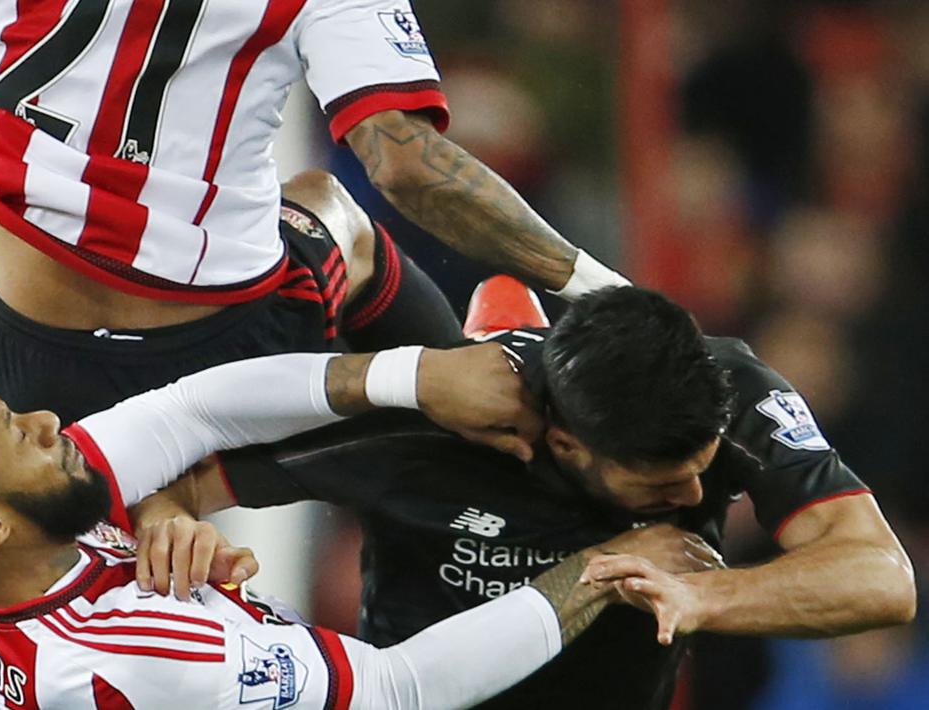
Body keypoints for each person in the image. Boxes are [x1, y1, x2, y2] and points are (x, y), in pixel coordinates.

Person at [131, 285, 917, 710]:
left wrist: (699, 593)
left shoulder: (733, 393)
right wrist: (166, 516)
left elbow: (880, 578)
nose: (691, 496)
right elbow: (178, 467)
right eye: (656, 483)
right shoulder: (426, 431)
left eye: (700, 470)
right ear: (566, 443)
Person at [0, 344, 714, 709]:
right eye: (16, 438)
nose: (45, 421)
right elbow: (399, 693)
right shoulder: (133, 650)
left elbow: (191, 413)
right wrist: (604, 564)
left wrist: (414, 374)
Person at [0, 0, 629, 422]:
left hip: (22, 347)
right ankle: (462, 393)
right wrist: (605, 293)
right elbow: (406, 166)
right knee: (330, 206)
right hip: (228, 345)